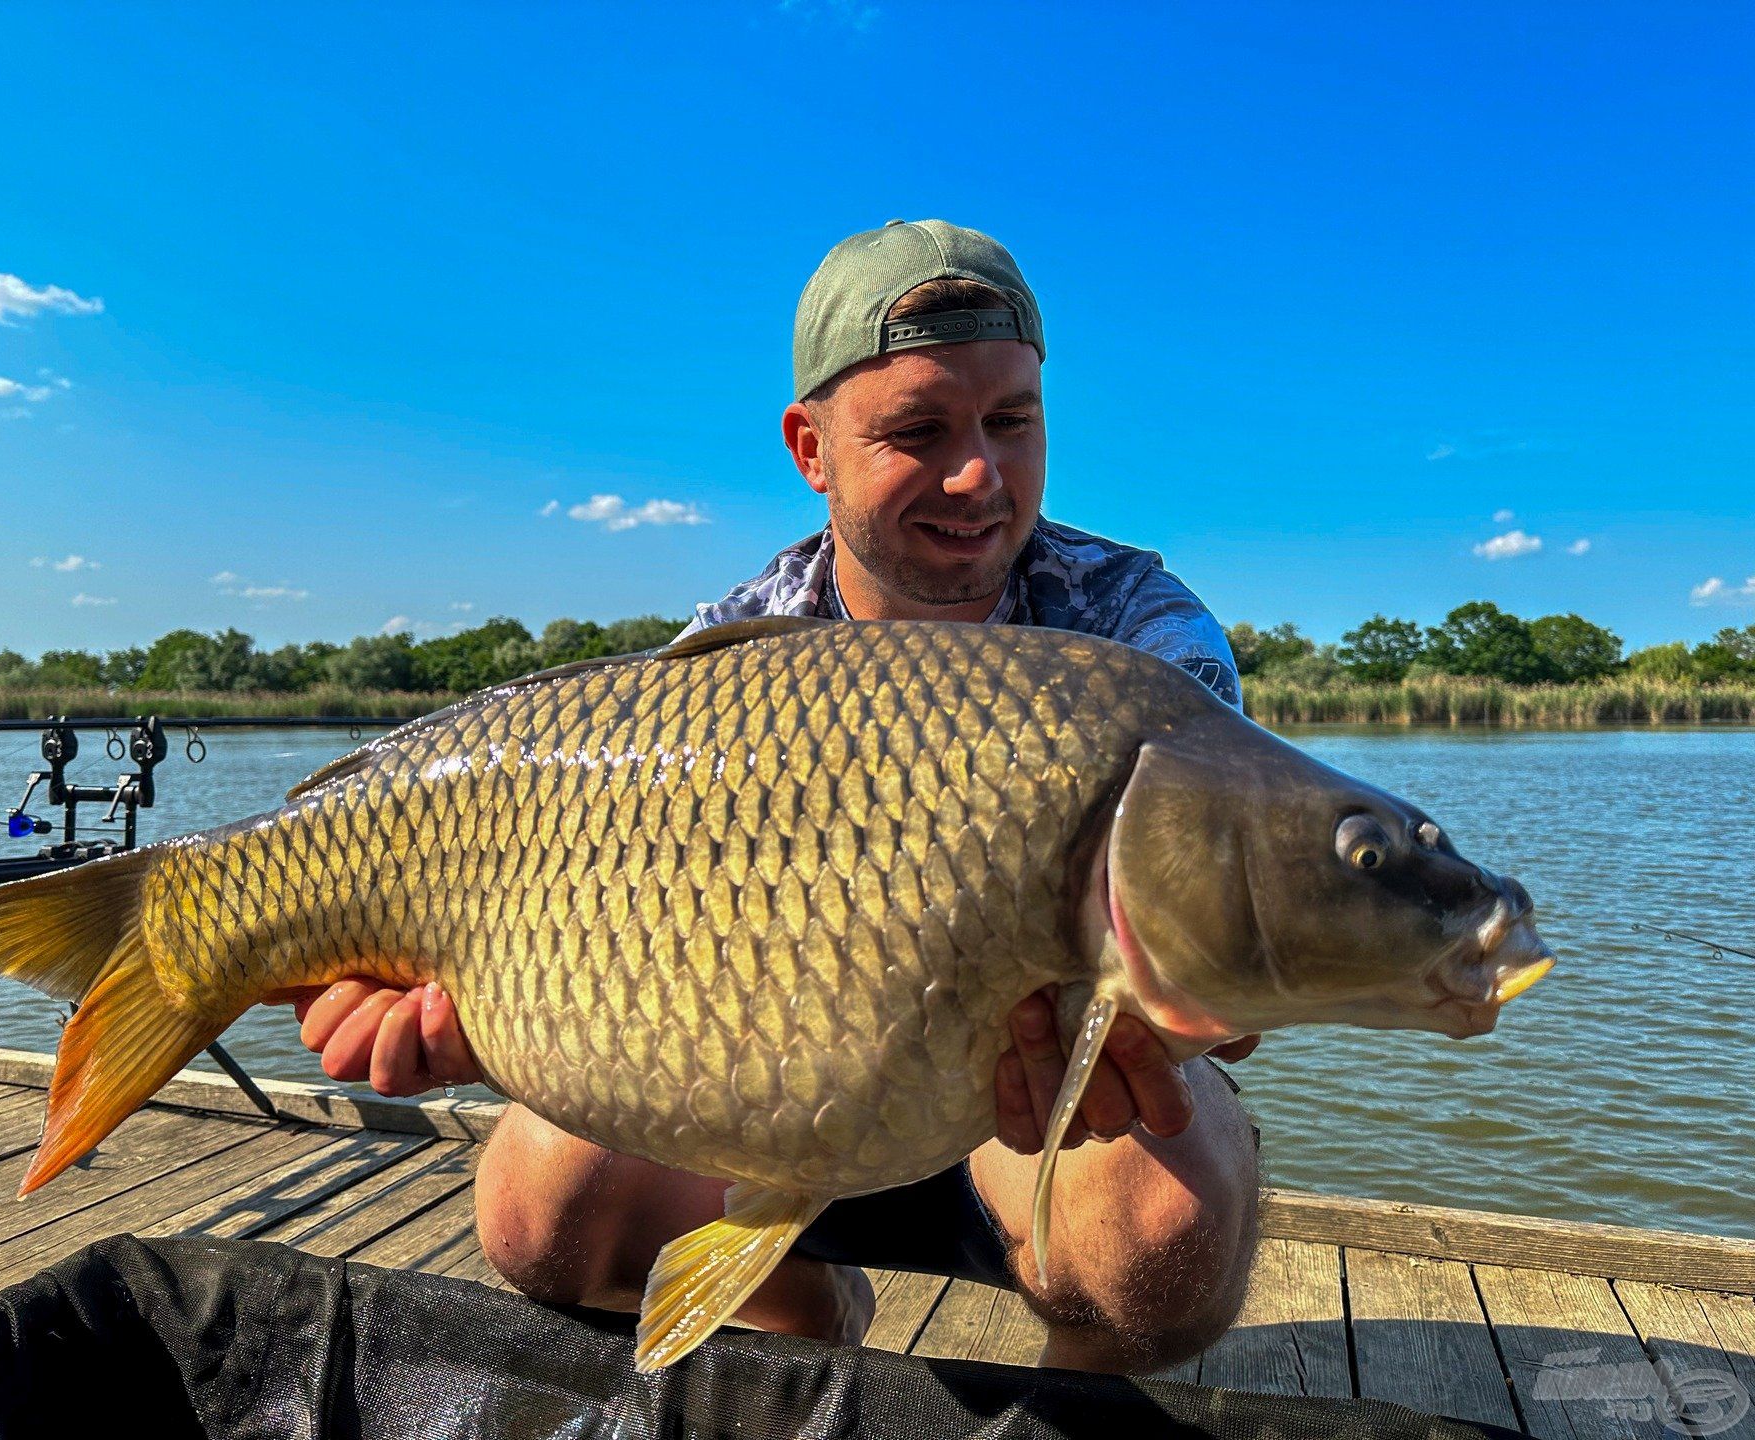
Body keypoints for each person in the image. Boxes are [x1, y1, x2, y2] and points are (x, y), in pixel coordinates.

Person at [280, 220, 1262, 1374]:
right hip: (755, 1090)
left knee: (1162, 1244)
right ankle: (800, 1325)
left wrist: (1217, 997)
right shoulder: (725, 657)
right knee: (538, 1219)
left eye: (1012, 420)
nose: (978, 476)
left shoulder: (1141, 640)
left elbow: (1233, 986)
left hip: (1038, 1108)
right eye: (918, 431)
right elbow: (609, 953)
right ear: (811, 447)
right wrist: (488, 1025)